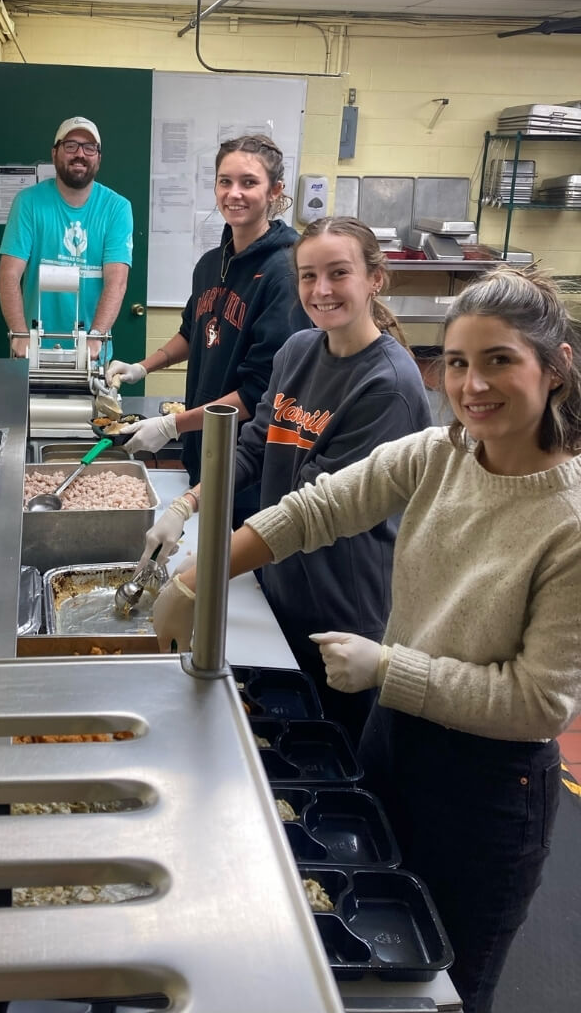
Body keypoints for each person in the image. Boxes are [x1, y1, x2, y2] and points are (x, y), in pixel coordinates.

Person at [154, 264, 581, 1013]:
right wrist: (200, 574)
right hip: (394, 742)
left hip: (487, 791)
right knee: (367, 968)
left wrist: (390, 667)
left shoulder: (568, 523)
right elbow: (316, 508)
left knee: (443, 990)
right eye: (455, 363)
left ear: (555, 367)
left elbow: (537, 703)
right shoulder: (439, 453)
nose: (471, 385)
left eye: (498, 361)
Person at [144, 217, 431, 742]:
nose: (321, 291)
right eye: (308, 276)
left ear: (375, 278)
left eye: (338, 273)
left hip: (341, 608)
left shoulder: (387, 385)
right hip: (280, 584)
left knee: (327, 754)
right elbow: (253, 447)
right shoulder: (298, 351)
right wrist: (186, 504)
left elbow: (316, 508)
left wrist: (203, 573)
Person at [105, 134, 308, 508]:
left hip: (249, 459)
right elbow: (192, 332)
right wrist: (141, 367)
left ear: (275, 190)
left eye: (249, 182)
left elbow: (260, 391)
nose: (234, 193)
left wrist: (170, 426)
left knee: (237, 559)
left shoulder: (285, 273)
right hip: (204, 441)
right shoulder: (210, 264)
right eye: (225, 181)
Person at [0, 116, 132, 361]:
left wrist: (96, 337)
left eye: (89, 147)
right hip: (34, 353)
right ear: (54, 153)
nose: (80, 153)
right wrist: (19, 333)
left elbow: (117, 281)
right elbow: (8, 275)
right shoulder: (28, 203)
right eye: (71, 145)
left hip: (92, 357)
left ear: (99, 157)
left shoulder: (117, 208)